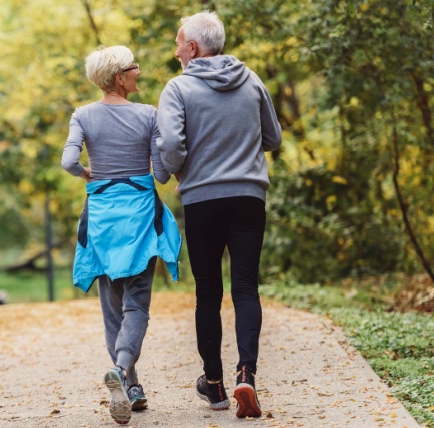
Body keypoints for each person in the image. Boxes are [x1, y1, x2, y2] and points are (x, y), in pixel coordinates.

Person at [156, 11, 282, 419]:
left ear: (193, 48)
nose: (176, 51)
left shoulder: (178, 88)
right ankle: (247, 372)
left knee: (208, 292)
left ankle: (214, 385)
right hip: (249, 197)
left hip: (203, 200)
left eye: (178, 43)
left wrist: (180, 170)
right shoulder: (252, 80)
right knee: (246, 288)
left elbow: (171, 145)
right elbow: (273, 137)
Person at [62, 45, 182, 425]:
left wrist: (88, 175)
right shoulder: (148, 116)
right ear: (120, 78)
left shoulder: (82, 116)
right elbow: (161, 174)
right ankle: (124, 367)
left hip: (101, 219)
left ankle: (129, 384)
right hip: (140, 218)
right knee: (138, 303)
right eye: (134, 67)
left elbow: (68, 162)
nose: (139, 71)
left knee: (112, 306)